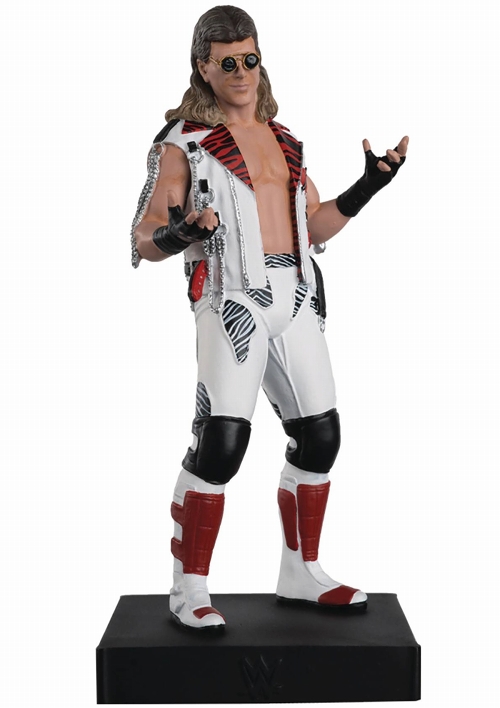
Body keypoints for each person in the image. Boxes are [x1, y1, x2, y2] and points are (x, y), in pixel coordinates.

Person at [131, 5, 408, 630]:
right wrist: (178, 234)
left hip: (296, 294)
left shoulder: (284, 140)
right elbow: (143, 238)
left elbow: (315, 226)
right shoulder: (183, 145)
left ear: (261, 60)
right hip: (232, 297)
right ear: (202, 68)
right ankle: (187, 588)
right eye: (227, 62)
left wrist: (367, 187)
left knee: (321, 435)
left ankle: (301, 573)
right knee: (221, 444)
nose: (241, 72)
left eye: (249, 59)